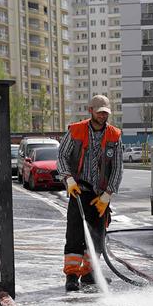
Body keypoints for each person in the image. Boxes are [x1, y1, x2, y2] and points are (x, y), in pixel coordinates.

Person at [56, 94, 123, 291]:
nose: (103, 116)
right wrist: (68, 179)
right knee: (75, 234)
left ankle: (89, 273)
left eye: (106, 113)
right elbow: (62, 155)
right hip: (80, 191)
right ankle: (71, 275)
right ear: (90, 111)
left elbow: (118, 167)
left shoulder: (114, 135)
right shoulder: (76, 131)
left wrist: (107, 194)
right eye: (100, 112)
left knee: (97, 236)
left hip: (100, 194)